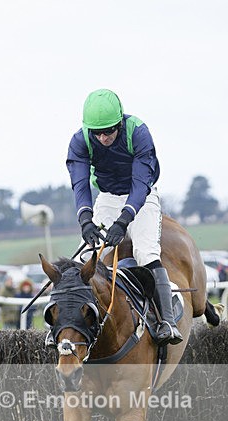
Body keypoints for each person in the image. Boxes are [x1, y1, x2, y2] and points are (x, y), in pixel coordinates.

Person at [66, 88, 183, 345]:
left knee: (145, 252)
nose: (104, 137)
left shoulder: (138, 132)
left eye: (109, 131)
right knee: (85, 255)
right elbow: (80, 184)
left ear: (120, 122)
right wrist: (85, 219)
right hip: (107, 197)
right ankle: (69, 321)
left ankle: (167, 321)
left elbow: (141, 183)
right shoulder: (80, 141)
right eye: (98, 133)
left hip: (141, 196)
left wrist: (124, 221)